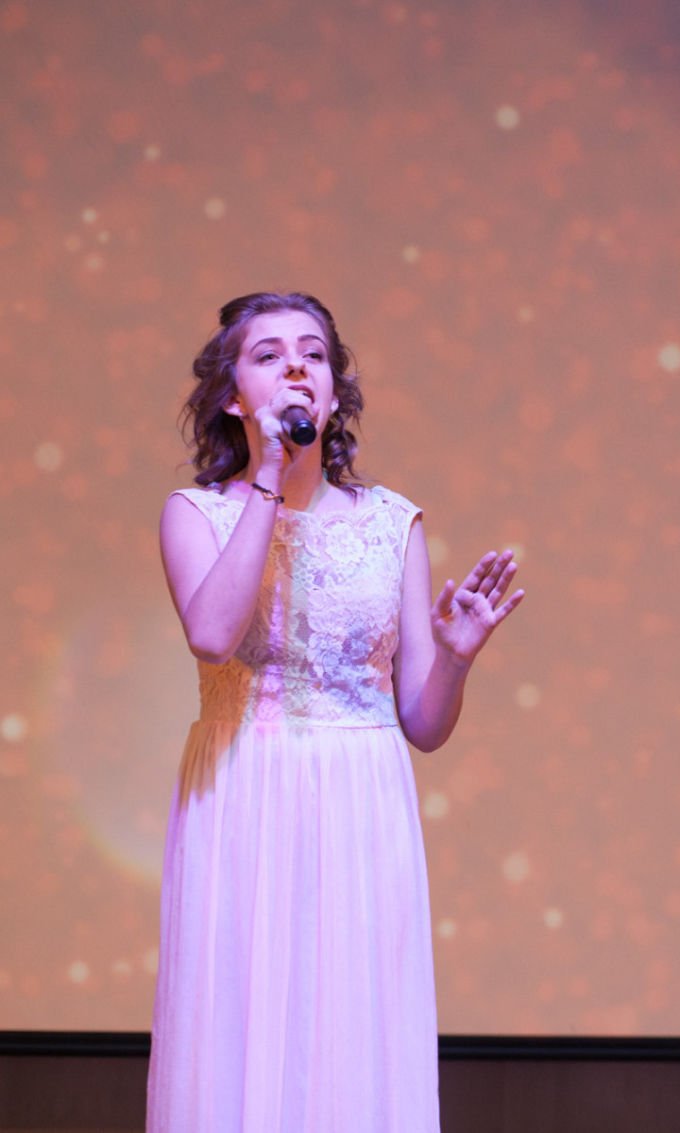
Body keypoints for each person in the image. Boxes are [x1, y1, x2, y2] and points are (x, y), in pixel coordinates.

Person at [146, 292, 524, 1131]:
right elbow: (212, 635)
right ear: (232, 396)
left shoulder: (393, 523)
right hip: (244, 794)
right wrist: (269, 476)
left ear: (334, 386)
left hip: (361, 805)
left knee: (352, 1033)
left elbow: (423, 722)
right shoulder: (198, 514)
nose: (295, 366)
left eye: (313, 353)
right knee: (240, 1030)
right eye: (269, 354)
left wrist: (456, 656)